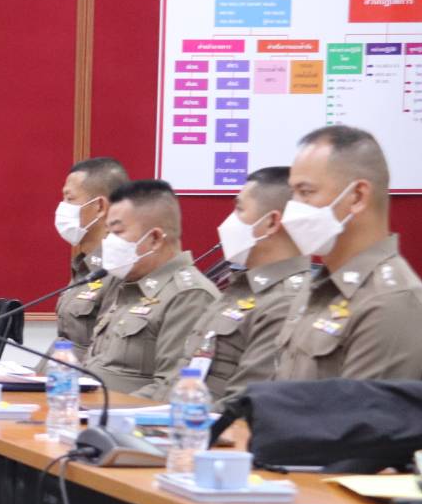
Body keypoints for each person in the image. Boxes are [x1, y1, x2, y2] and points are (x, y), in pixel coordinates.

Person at [274, 125, 422, 382]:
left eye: (306, 192)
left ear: (357, 197)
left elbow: (355, 409)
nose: (292, 210)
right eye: (293, 193)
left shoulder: (390, 304)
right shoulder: (319, 286)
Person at [160, 167, 309, 406]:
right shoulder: (241, 287)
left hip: (204, 425)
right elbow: (177, 378)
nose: (228, 222)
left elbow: (243, 404)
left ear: (271, 222)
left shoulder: (286, 302)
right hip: (172, 416)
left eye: (239, 209)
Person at [83, 179, 217, 395]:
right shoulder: (128, 284)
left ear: (154, 238)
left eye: (117, 232)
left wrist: (101, 410)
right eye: (107, 233)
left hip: (123, 413)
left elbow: (171, 388)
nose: (108, 242)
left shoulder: (189, 296)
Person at [52, 157, 127, 353]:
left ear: (100, 207)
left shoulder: (119, 269)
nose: (62, 208)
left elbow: (108, 354)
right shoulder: (84, 266)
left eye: (70, 199)